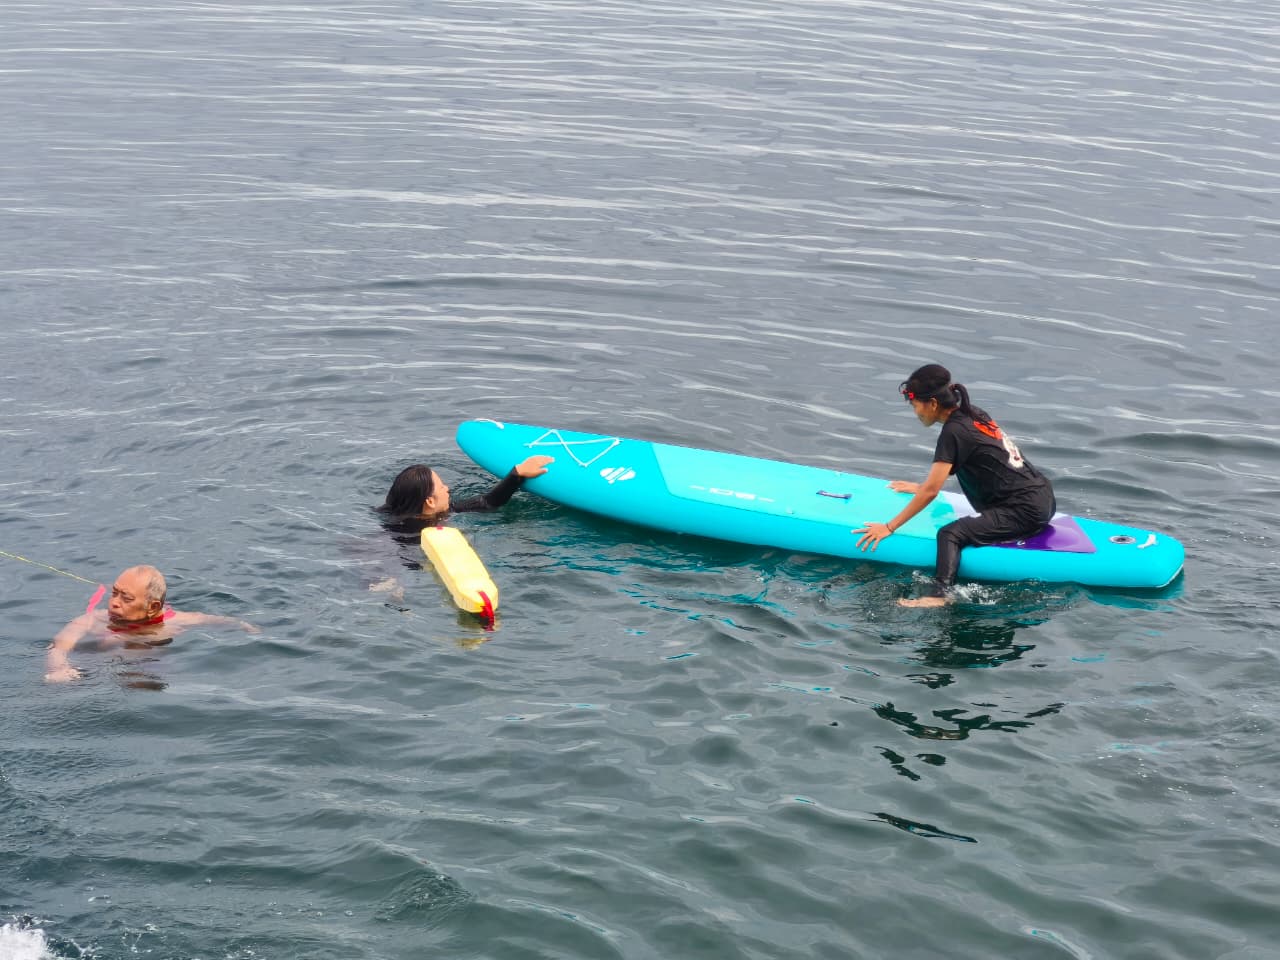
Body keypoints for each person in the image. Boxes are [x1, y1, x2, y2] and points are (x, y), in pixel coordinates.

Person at [854, 364, 1056, 607]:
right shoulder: (973, 413)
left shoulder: (953, 433)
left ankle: (939, 596)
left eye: (915, 404)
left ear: (933, 404)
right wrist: (923, 487)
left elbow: (932, 491)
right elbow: (984, 462)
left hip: (1023, 511)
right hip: (1043, 496)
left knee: (950, 534)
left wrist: (889, 527)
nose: (915, 411)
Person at [369, 455, 554, 600]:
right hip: (397, 563)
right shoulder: (406, 534)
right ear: (430, 502)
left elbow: (486, 503)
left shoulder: (430, 511)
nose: (447, 488)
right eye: (442, 487)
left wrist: (517, 474)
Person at [45, 565, 259, 682]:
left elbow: (215, 620)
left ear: (153, 607)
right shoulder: (93, 619)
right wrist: (60, 668)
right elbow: (58, 646)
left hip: (149, 663)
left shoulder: (178, 621)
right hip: (98, 666)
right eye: (114, 594)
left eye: (126, 598)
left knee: (145, 676)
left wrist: (245, 626)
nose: (114, 603)